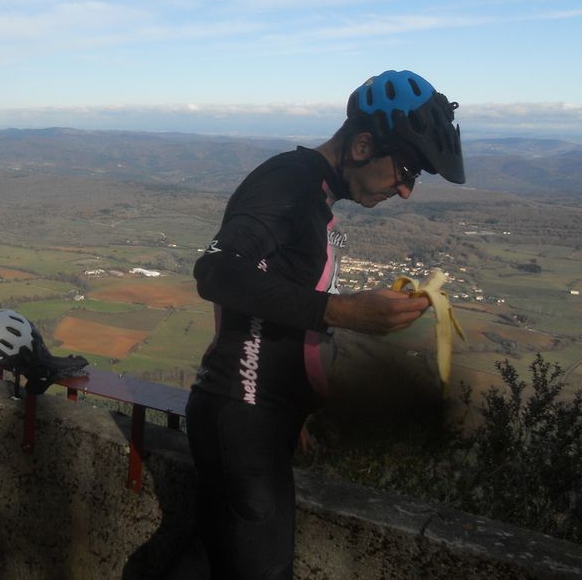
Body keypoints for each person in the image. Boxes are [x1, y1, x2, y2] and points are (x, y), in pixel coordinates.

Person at [180, 70, 466, 579]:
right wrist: (344, 311)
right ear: (361, 145)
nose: (405, 191)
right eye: (406, 168)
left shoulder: (314, 192)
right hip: (241, 418)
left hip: (256, 418)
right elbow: (218, 271)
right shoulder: (289, 182)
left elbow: (273, 301)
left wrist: (297, 404)